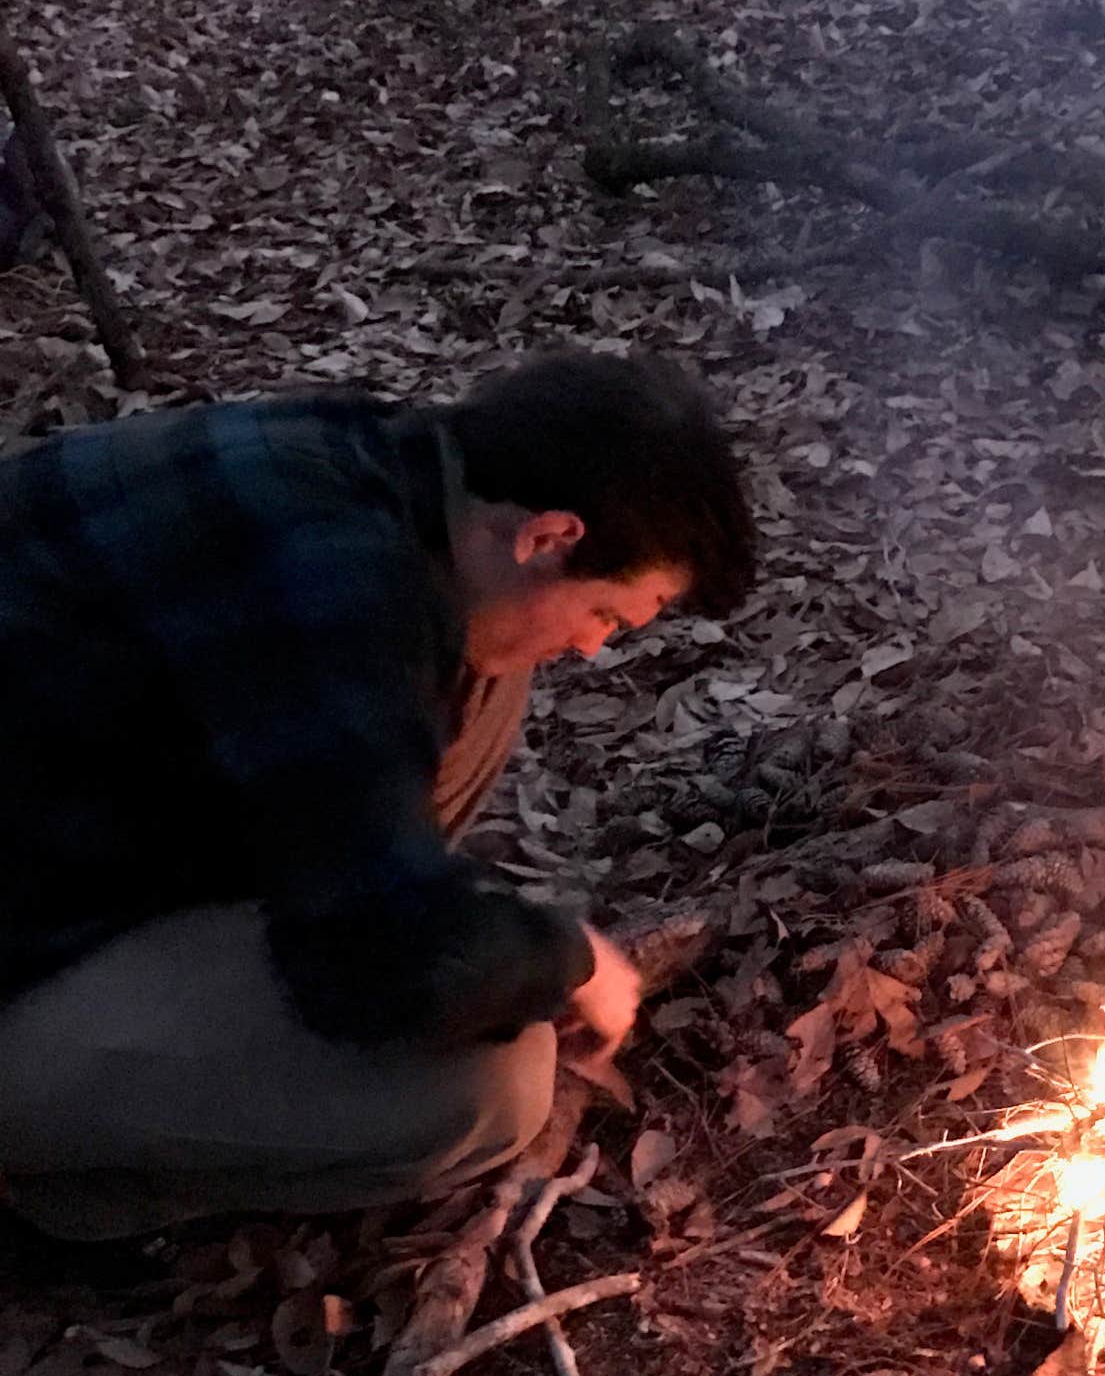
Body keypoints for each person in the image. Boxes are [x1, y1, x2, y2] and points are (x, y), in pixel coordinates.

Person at [0, 350, 754, 1261]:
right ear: (551, 535)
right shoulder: (339, 589)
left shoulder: (386, 467)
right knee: (488, 1090)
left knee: (489, 665)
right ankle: (56, 1199)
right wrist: (562, 958)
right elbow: (378, 973)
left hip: (59, 808)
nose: (596, 650)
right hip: (32, 925)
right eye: (610, 617)